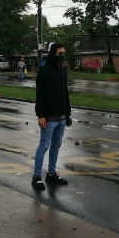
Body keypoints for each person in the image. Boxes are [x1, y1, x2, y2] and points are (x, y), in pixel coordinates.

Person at [32, 43, 70, 190]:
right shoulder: (44, 71)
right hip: (48, 117)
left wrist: (68, 113)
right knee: (44, 146)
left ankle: (51, 174)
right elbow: (39, 94)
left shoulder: (62, 70)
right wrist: (40, 115)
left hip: (61, 117)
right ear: (53, 53)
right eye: (60, 53)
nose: (62, 56)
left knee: (56, 146)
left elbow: (65, 92)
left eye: (63, 53)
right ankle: (36, 176)